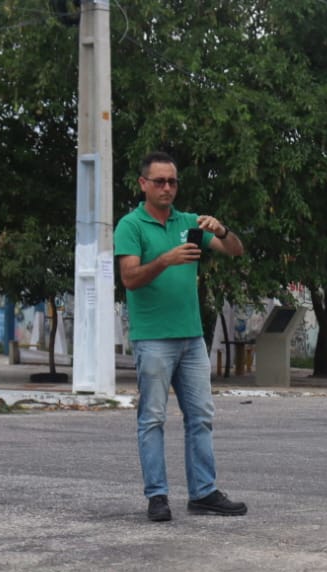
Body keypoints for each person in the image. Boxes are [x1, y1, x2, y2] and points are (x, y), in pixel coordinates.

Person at [115, 152, 248, 522]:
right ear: (143, 184)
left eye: (172, 181)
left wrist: (221, 231)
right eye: (159, 181)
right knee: (152, 418)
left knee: (201, 416)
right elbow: (129, 278)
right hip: (153, 338)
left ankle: (203, 492)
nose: (167, 188)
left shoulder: (189, 223)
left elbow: (235, 251)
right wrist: (165, 260)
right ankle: (157, 496)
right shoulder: (131, 225)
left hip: (191, 338)